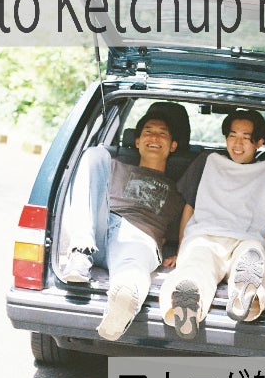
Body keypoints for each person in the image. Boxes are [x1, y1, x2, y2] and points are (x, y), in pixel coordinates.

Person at [159, 110, 265, 339]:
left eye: (246, 137)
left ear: (260, 142)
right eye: (232, 136)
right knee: (195, 264)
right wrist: (182, 250)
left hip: (247, 238)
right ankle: (188, 302)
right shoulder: (207, 161)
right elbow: (190, 207)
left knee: (251, 257)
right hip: (205, 235)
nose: (237, 144)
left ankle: (246, 296)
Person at [61, 109, 185, 341]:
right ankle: (80, 254)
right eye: (148, 132)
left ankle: (123, 303)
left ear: (173, 146)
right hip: (97, 229)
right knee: (95, 154)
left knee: (132, 273)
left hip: (138, 235)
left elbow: (182, 230)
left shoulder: (178, 193)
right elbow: (86, 194)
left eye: (162, 134)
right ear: (137, 141)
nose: (154, 137)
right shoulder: (113, 165)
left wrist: (183, 251)